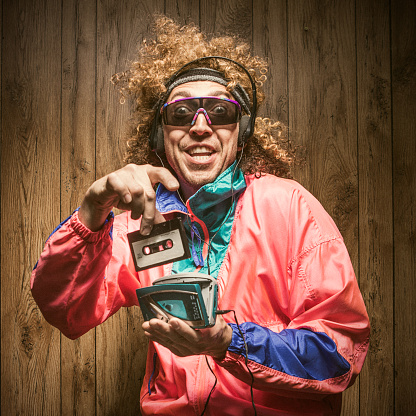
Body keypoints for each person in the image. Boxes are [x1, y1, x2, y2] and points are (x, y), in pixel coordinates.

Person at [31, 16, 370, 416]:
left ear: (240, 131)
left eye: (220, 111)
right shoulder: (142, 222)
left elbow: (339, 356)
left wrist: (228, 341)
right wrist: (92, 209)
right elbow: (64, 308)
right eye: (182, 113)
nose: (200, 126)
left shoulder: (291, 207)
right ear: (161, 134)